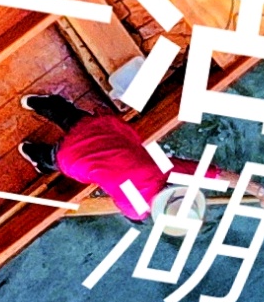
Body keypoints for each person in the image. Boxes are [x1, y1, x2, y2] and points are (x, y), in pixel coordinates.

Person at [24, 88, 171, 220]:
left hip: (102, 132)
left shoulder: (168, 170)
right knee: (52, 158)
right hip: (75, 158)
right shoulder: (136, 209)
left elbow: (185, 169)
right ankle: (35, 155)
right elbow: (129, 206)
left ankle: (40, 102)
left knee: (71, 117)